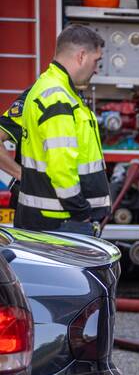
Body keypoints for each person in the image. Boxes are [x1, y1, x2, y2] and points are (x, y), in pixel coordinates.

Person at [15, 25, 109, 232]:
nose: (96, 69)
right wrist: (81, 214)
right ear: (81, 56)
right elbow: (61, 166)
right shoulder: (58, 97)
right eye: (96, 61)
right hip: (60, 222)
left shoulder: (48, 87)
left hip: (50, 219)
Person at [0, 89, 27, 198]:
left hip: (76, 198)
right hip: (32, 201)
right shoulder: (36, 96)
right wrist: (25, 177)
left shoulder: (79, 98)